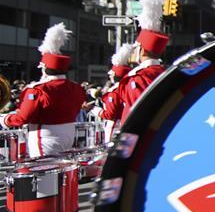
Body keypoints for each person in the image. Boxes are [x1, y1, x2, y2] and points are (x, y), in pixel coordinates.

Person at [0, 23, 86, 159]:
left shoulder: (38, 90)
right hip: (69, 136)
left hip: (45, 139)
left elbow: (23, 118)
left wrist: (4, 119)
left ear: (44, 68)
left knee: (44, 175)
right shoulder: (77, 88)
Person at [121, 0, 169, 121]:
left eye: (135, 47)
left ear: (141, 50)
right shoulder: (167, 73)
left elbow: (135, 114)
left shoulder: (139, 78)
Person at [95, 43, 135, 142]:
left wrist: (95, 110)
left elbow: (110, 114)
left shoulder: (114, 91)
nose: (110, 75)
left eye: (112, 73)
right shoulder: (126, 88)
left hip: (114, 126)